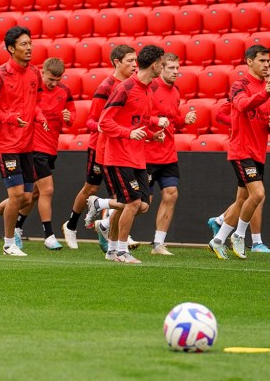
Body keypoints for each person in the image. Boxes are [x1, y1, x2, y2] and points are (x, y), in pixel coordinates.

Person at [0, 26, 47, 256]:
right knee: (16, 196)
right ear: (11, 48)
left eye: (30, 43)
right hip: (6, 144)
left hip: (27, 143)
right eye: (24, 44)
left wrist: (40, 116)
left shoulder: (35, 73)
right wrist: (9, 118)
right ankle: (8, 244)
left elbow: (35, 103)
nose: (29, 48)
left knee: (27, 197)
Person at [99, 45, 168, 264]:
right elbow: (104, 122)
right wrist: (128, 133)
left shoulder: (149, 88)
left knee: (143, 205)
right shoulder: (125, 87)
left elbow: (138, 123)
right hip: (119, 156)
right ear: (154, 65)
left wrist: (152, 135)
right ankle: (121, 251)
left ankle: (111, 246)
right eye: (162, 64)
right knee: (133, 203)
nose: (163, 67)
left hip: (137, 157)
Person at [208, 45, 270, 260]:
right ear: (249, 61)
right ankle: (239, 235)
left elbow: (268, 118)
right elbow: (242, 105)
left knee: (241, 201)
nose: (266, 64)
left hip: (258, 151)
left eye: (268, 61)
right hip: (241, 149)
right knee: (258, 194)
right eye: (262, 60)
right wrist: (263, 94)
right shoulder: (240, 85)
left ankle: (218, 240)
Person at [63, 45, 136, 249]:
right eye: (130, 61)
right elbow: (91, 121)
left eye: (135, 60)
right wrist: (105, 127)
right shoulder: (106, 87)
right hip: (100, 146)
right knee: (91, 188)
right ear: (117, 62)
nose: (134, 65)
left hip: (122, 146)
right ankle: (71, 225)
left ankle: (113, 232)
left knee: (121, 193)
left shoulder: (133, 85)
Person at [19, 57, 74, 251]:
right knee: (47, 190)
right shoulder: (34, 89)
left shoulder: (65, 91)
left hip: (51, 147)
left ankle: (9, 224)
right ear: (43, 73)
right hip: (34, 147)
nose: (54, 83)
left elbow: (71, 117)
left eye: (58, 80)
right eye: (51, 79)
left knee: (31, 194)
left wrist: (69, 118)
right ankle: (49, 235)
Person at [144, 53, 196, 256]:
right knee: (142, 204)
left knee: (171, 194)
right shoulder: (150, 88)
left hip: (168, 153)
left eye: (177, 68)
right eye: (171, 68)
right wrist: (155, 121)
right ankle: (107, 217)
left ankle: (158, 244)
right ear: (161, 68)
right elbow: (139, 116)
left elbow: (172, 121)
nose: (175, 72)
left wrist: (184, 121)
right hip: (148, 153)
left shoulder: (175, 91)